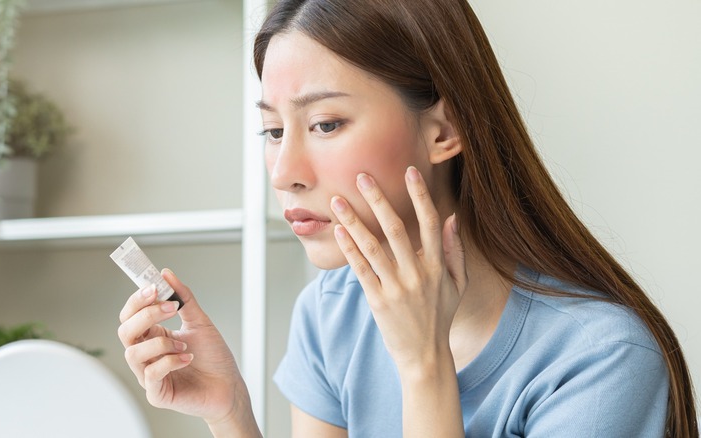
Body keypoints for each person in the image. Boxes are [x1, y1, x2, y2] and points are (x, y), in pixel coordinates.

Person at [117, 0, 699, 436]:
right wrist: (231, 412)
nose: (283, 172)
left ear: (443, 131)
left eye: (325, 124)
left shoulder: (600, 360)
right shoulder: (332, 312)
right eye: (273, 131)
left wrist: (424, 367)